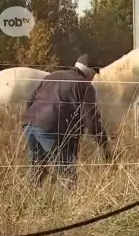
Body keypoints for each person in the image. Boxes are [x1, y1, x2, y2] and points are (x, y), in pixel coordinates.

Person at [22, 53, 114, 188]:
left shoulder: (52, 76)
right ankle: (68, 206)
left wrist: (29, 121)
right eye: (94, 73)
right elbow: (91, 120)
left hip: (29, 125)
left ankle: (28, 202)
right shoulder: (84, 85)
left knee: (37, 168)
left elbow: (30, 100)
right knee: (68, 173)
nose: (94, 77)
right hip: (48, 128)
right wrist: (105, 147)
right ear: (89, 71)